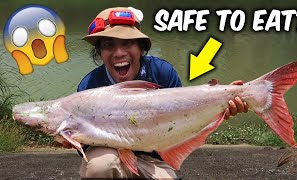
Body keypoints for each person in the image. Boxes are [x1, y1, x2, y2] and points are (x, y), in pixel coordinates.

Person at [59, 7, 248, 179]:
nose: (119, 53)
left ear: (141, 48)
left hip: (154, 158)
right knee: (99, 167)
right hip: (111, 157)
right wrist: (74, 141)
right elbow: (86, 147)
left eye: (128, 43)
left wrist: (220, 104)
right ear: (99, 53)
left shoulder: (162, 73)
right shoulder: (90, 86)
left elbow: (183, 121)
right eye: (108, 45)